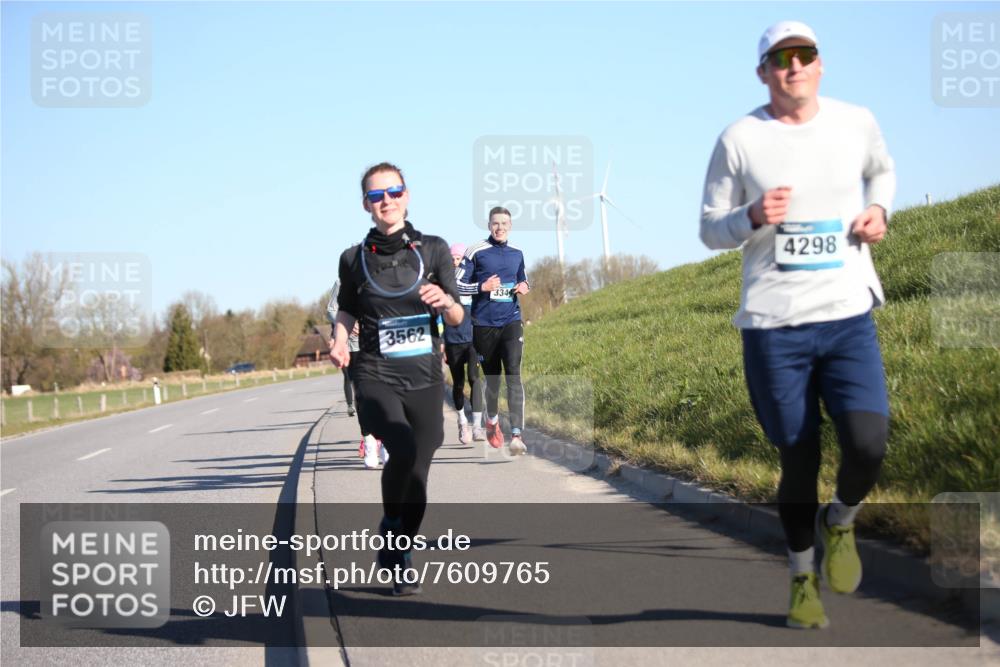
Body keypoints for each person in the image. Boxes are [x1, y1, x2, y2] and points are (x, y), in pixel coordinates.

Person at [700, 20, 894, 629]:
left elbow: (881, 171)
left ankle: (840, 519)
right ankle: (802, 575)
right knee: (798, 457)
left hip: (845, 314)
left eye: (804, 55)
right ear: (763, 72)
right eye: (780, 58)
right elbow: (709, 227)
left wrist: (878, 208)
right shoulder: (739, 139)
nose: (793, 66)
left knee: (867, 443)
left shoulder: (855, 121)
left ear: (820, 64)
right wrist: (750, 216)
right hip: (773, 325)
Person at [329, 162, 464, 595]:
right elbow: (346, 308)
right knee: (400, 446)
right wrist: (338, 339)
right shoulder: (352, 259)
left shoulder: (435, 249)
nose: (386, 200)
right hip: (374, 371)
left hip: (424, 374)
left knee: (419, 475)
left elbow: (460, 314)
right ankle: (391, 528)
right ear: (366, 204)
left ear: (407, 195)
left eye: (394, 191)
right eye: (376, 195)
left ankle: (400, 546)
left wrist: (444, 300)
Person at [458, 207, 530, 455]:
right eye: (495, 223)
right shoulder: (476, 251)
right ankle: (492, 422)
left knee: (513, 373)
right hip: (484, 325)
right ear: (489, 225)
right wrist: (482, 286)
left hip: (511, 320)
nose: (500, 227)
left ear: (510, 225)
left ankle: (517, 435)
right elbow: (458, 285)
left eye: (504, 223)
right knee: (492, 380)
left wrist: (524, 286)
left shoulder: (517, 253)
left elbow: (524, 278)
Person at [327, 282, 387, 469]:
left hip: (382, 343)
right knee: (362, 395)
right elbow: (332, 309)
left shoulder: (386, 273)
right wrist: (346, 323)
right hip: (354, 346)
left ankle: (386, 442)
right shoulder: (344, 279)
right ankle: (368, 440)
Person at [444, 243, 486, 443]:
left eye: (458, 258)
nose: (455, 262)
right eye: (452, 259)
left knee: (474, 378)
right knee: (458, 383)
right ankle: (462, 422)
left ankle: (477, 426)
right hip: (452, 339)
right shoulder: (444, 281)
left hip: (472, 338)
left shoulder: (470, 274)